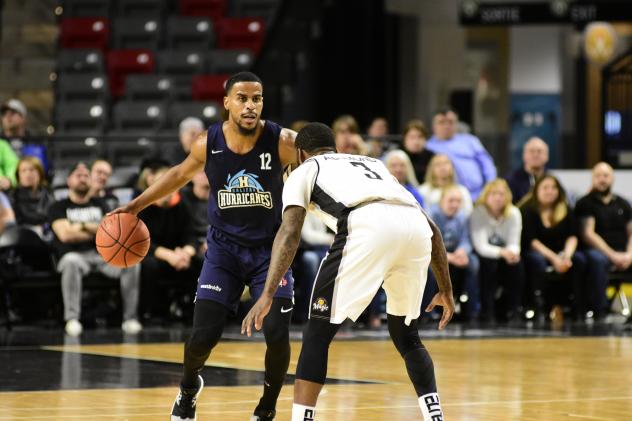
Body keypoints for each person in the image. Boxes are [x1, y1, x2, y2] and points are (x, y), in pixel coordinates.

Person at [110, 72, 298, 421]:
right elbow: (178, 175)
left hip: (268, 254)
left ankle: (267, 407)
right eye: (242, 98)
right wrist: (137, 205)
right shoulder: (207, 142)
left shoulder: (283, 141)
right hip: (223, 252)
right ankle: (187, 390)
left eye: (256, 98)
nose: (250, 105)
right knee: (202, 337)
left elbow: (321, 162)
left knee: (276, 332)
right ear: (226, 102)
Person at [241, 122, 454, 421]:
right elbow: (433, 230)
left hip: (366, 223)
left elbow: (289, 233)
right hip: (415, 227)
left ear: (301, 153)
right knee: (407, 335)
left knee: (316, 333)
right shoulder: (373, 163)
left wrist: (267, 293)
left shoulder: (305, 169)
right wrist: (445, 290)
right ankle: (436, 417)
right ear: (336, 148)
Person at [49, 162, 142, 336]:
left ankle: (130, 318)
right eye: (78, 175)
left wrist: (80, 226)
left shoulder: (102, 205)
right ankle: (72, 319)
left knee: (132, 261)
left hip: (102, 257)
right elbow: (65, 235)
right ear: (69, 181)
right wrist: (95, 229)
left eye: (86, 176)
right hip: (74, 256)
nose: (83, 178)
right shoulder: (58, 207)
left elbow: (113, 233)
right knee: (70, 261)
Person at [138, 166, 201, 321]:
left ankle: (193, 310)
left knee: (202, 261)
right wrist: (169, 256)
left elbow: (191, 235)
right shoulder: (144, 205)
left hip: (179, 255)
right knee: (149, 266)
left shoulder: (182, 204)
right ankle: (151, 312)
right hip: (154, 254)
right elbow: (141, 242)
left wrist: (186, 253)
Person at [519, 175, 586, 321]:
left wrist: (567, 256)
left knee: (579, 259)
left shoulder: (566, 209)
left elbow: (573, 236)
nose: (550, 191)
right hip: (537, 252)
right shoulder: (528, 210)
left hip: (561, 252)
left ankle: (577, 306)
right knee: (537, 262)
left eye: (553, 188)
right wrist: (555, 259)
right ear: (536, 191)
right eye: (545, 188)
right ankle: (539, 304)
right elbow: (532, 241)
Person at [575, 162, 632, 320]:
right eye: (598, 176)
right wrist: (612, 255)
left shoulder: (623, 204)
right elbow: (588, 234)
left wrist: (629, 254)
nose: (602, 179)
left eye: (606, 176)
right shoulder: (585, 203)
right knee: (597, 260)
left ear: (612, 178)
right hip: (597, 251)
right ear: (592, 178)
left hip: (622, 251)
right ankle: (600, 311)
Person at [470, 179, 523, 322]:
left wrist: (512, 253)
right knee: (488, 266)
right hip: (486, 255)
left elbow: (514, 242)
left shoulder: (514, 213)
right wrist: (502, 253)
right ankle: (488, 311)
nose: (498, 197)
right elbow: (480, 246)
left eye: (501, 194)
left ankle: (513, 310)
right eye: (494, 194)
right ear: (486, 196)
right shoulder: (478, 212)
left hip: (506, 254)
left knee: (516, 265)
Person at [425, 185, 480, 320]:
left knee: (473, 263)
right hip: (433, 255)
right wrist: (447, 257)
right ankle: (430, 312)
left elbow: (466, 239)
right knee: (431, 269)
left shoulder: (462, 216)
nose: (455, 205)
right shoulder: (431, 214)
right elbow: (427, 242)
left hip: (455, 254)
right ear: (442, 201)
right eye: (451, 200)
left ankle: (470, 310)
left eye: (458, 201)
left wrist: (462, 252)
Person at [426, 108, 496, 200]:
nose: (446, 126)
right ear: (433, 126)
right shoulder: (428, 147)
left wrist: (490, 188)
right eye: (441, 122)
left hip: (480, 195)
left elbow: (487, 164)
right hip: (448, 199)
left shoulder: (470, 141)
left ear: (456, 123)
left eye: (450, 122)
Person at [9, 156, 54, 237]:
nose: (28, 174)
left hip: (47, 235)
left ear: (40, 173)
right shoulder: (12, 195)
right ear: (18, 175)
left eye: (32, 170)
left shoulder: (49, 193)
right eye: (23, 171)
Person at [506, 137, 549, 204]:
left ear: (547, 156)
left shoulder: (552, 181)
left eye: (539, 151)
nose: (535, 155)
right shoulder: (510, 181)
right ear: (524, 155)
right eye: (531, 151)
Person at [180, 171, 211, 258]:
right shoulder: (181, 197)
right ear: (192, 177)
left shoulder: (224, 197)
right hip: (187, 245)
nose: (207, 174)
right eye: (202, 172)